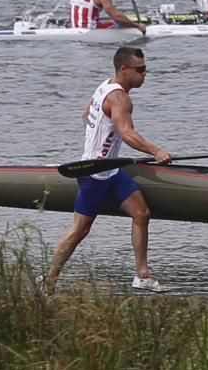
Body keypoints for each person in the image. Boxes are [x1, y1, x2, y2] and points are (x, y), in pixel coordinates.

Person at [45, 47, 172, 294]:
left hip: (112, 171)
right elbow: (126, 133)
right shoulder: (120, 99)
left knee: (142, 213)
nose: (145, 75)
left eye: (145, 69)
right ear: (124, 69)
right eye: (140, 70)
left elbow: (85, 115)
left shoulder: (104, 85)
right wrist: (156, 151)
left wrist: (103, 139)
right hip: (93, 174)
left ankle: (142, 276)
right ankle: (49, 279)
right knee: (79, 230)